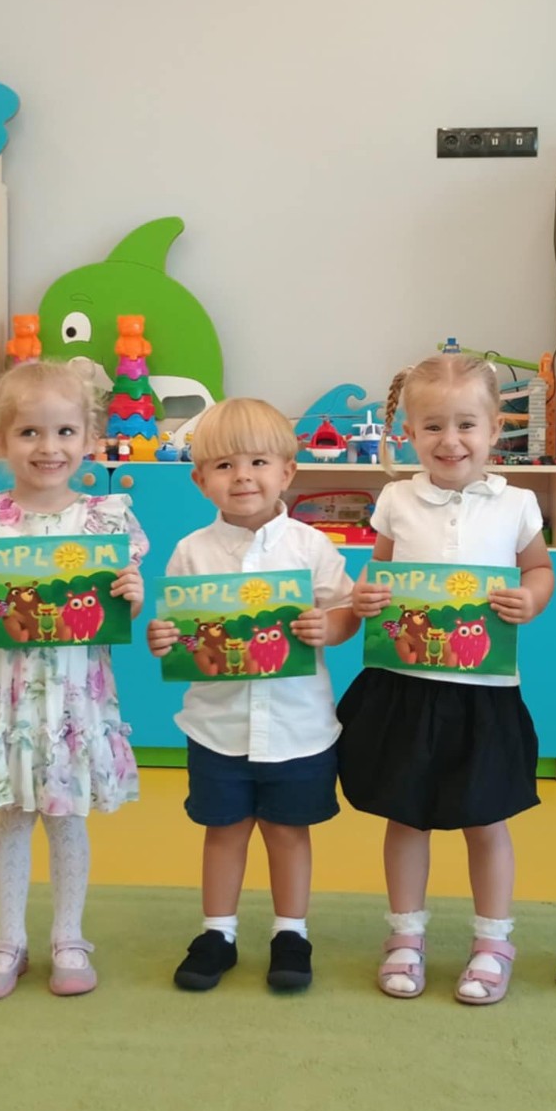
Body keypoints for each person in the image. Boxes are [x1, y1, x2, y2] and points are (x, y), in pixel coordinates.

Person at [336, 353, 555, 1005]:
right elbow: (377, 574)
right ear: (408, 432)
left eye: (466, 424)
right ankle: (405, 934)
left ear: (495, 430)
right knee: (406, 816)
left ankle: (494, 941)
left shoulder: (518, 504)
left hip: (484, 692)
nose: (450, 440)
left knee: (486, 820)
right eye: (432, 426)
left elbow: (539, 571)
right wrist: (364, 596)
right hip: (406, 686)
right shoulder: (395, 499)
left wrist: (531, 599)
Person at [0, 361, 148, 1000]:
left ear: (89, 439)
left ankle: (69, 937)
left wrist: (133, 595)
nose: (48, 448)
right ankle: (7, 940)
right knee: (10, 818)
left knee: (67, 818)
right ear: (2, 439)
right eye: (29, 432)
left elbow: (124, 604)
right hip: (4, 700)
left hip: (72, 702)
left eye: (64, 432)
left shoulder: (105, 520)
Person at [146, 398, 359, 992]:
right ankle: (218, 932)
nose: (242, 477)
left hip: (299, 725)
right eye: (224, 465)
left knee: (289, 831)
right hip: (218, 725)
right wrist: (162, 638)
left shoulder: (311, 547)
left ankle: (291, 932)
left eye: (258, 462)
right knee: (224, 829)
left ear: (287, 472)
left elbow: (345, 613)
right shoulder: (191, 551)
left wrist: (327, 627)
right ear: (200, 481)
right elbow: (177, 631)